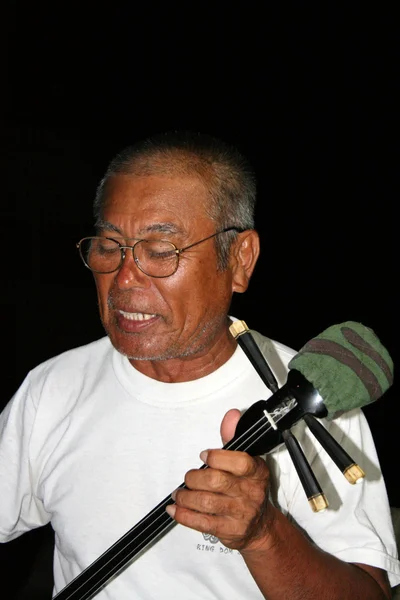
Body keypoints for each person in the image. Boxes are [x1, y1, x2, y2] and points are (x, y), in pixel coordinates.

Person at [0, 131, 399, 600]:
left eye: (161, 251)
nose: (124, 278)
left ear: (240, 259)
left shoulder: (317, 403)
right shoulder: (54, 388)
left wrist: (264, 534)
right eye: (109, 247)